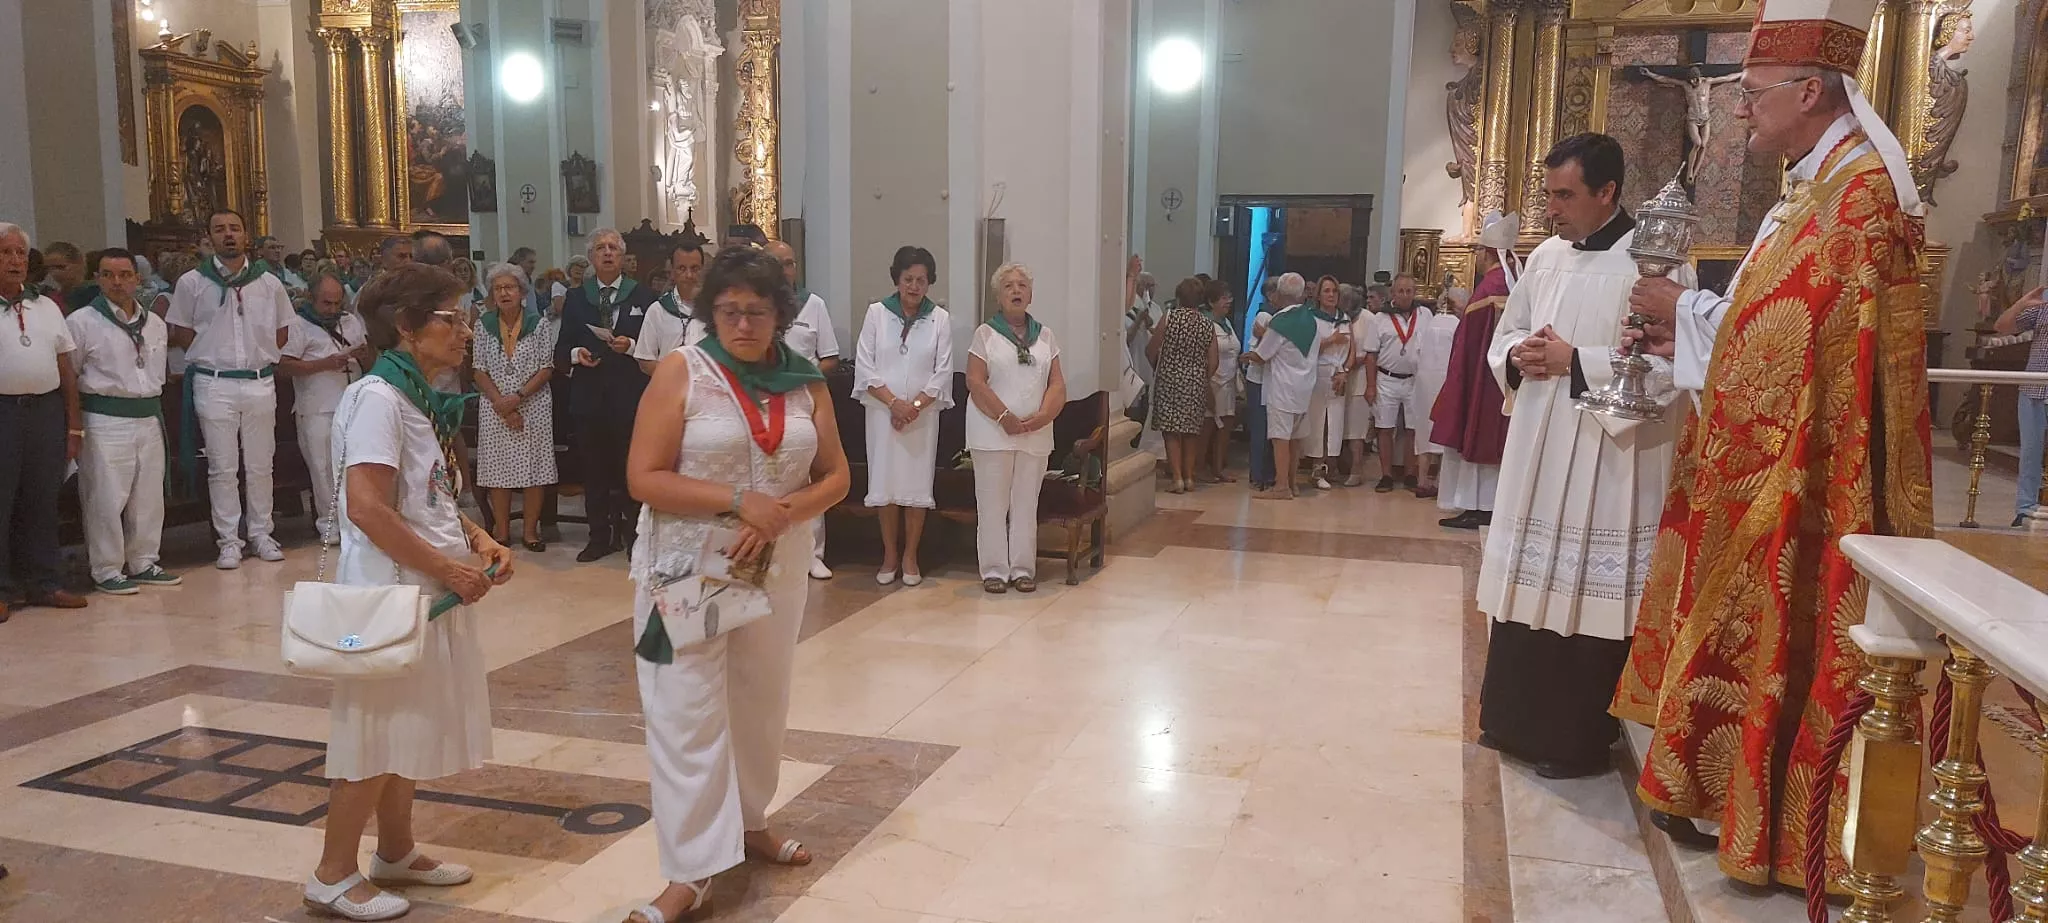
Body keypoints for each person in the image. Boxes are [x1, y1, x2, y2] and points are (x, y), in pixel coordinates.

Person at [1613, 0, 1934, 885]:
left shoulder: (1859, 196)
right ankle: (1720, 795)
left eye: (1752, 92)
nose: (1737, 108)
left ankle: (1778, 823)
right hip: (1759, 462)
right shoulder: (1813, 188)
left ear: (1809, 88)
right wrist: (1687, 322)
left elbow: (1797, 337)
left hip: (1809, 476)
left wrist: (1683, 311)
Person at [622, 247, 850, 923]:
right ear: (708, 312)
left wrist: (782, 513)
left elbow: (836, 475)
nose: (743, 323)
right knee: (684, 708)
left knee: (759, 701)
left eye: (757, 310)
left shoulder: (804, 380)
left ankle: (748, 824)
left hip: (774, 561)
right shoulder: (683, 372)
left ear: (781, 314)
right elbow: (644, 476)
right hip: (694, 565)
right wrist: (737, 499)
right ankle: (689, 871)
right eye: (729, 310)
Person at [303, 263, 516, 922]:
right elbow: (366, 506)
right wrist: (450, 570)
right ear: (405, 325)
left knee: (405, 727)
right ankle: (332, 873)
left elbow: (425, 492)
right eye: (452, 319)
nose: (465, 332)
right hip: (391, 591)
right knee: (373, 732)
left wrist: (475, 538)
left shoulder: (413, 394)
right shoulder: (377, 398)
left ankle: (394, 849)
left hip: (425, 586)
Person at [1477, 133, 1689, 779]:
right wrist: (1516, 354)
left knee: (1585, 592)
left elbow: (1672, 364)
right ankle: (1512, 721)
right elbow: (1509, 329)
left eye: (1565, 195)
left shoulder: (1658, 265)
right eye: (1548, 193)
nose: (1553, 208)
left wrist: (1578, 362)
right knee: (1529, 585)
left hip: (1609, 454)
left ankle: (1573, 739)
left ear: (1608, 192)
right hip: (1541, 439)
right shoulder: (1544, 256)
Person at [167, 208, 295, 570]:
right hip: (215, 382)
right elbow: (181, 332)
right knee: (222, 467)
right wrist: (213, 350)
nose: (229, 235)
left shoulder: (268, 282)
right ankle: (229, 540)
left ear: (246, 236)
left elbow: (282, 331)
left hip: (258, 380)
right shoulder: (192, 282)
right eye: (220, 230)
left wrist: (261, 353)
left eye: (235, 229)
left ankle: (262, 533)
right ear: (208, 238)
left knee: (260, 464)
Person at [0, 223, 88, 617]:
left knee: (41, 500)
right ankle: (3, 588)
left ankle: (44, 582)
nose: (14, 261)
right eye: (5, 253)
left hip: (45, 412)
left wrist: (73, 425)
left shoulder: (46, 306)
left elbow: (65, 367)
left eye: (20, 253)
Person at [965, 262, 1066, 594]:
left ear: (1031, 294)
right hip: (992, 433)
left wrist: (1043, 416)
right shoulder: (986, 334)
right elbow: (975, 382)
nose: (1016, 290)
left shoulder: (1045, 336)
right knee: (993, 504)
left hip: (1035, 433)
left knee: (1026, 503)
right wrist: (1003, 416)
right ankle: (994, 569)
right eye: (1008, 286)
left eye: (1022, 285)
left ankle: (1022, 568)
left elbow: (1057, 385)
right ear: (998, 295)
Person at [557, 228, 657, 562]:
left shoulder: (642, 296)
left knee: (630, 468)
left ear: (624, 256)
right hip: (589, 397)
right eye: (601, 248)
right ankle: (599, 535)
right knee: (594, 470)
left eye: (614, 247)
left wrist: (630, 345)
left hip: (628, 396)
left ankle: (635, 537)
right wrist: (576, 355)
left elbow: (654, 347)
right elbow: (562, 348)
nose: (608, 253)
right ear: (591, 257)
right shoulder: (577, 297)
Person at [854, 246, 951, 586]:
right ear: (897, 279)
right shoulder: (877, 313)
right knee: (886, 483)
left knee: (915, 484)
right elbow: (865, 366)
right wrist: (894, 403)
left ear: (929, 283)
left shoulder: (939, 318)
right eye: (908, 279)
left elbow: (943, 371)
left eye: (921, 280)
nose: (914, 286)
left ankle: (911, 554)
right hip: (882, 414)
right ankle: (889, 554)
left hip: (922, 417)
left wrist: (915, 407)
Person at [1430, 214, 1516, 529]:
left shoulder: (1491, 285)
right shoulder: (1508, 281)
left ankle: (1478, 506)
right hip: (1499, 377)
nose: (1477, 257)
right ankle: (1485, 505)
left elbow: (1471, 339)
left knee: (1478, 435)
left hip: (1481, 377)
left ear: (1488, 253)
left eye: (1479, 252)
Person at [767, 240, 845, 580]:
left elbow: (829, 357)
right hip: (764, 400)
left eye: (790, 263)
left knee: (810, 476)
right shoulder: (758, 307)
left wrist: (803, 377)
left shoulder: (813, 305)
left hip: (803, 400)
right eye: (777, 264)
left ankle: (814, 553)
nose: (785, 270)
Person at [280, 268, 373, 543]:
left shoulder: (350, 322)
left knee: (354, 467)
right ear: (311, 297)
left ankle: (357, 523)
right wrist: (325, 363)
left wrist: (363, 355)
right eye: (326, 303)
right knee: (323, 469)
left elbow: (367, 359)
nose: (332, 309)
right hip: (316, 407)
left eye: (337, 303)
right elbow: (283, 366)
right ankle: (329, 526)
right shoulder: (298, 324)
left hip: (352, 404)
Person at [473, 263, 559, 552]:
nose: (503, 293)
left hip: (532, 406)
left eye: (509, 287)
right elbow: (478, 370)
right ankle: (502, 530)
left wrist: (518, 398)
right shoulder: (483, 324)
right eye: (497, 288)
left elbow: (546, 368)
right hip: (494, 406)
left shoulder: (539, 323)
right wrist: (502, 404)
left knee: (535, 470)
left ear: (522, 292)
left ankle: (531, 531)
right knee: (498, 471)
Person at [1245, 273, 1331, 500]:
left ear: (1280, 294)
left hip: (1282, 388)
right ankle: (1292, 483)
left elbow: (1263, 355)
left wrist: (1248, 356)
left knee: (1280, 438)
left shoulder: (1280, 322)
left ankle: (1281, 486)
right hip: (1304, 388)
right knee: (1294, 439)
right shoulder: (1310, 320)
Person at [1147, 277, 1219, 494]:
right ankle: (1189, 477)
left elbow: (1151, 349)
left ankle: (1176, 477)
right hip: (1196, 383)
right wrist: (1202, 376)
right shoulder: (1208, 324)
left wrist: (1158, 366)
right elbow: (1214, 360)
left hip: (1169, 380)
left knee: (1171, 431)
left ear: (1179, 297)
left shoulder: (1169, 318)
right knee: (1190, 432)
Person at [1363, 274, 1433, 493]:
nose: (1405, 295)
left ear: (1414, 292)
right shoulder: (1380, 319)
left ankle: (1411, 473)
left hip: (1415, 379)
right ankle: (1386, 474)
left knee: (1414, 428)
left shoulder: (1425, 314)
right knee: (1385, 428)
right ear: (1392, 293)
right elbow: (1371, 355)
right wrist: (1371, 385)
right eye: (1400, 291)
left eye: (1409, 291)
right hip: (1387, 378)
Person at [1992, 284, 2048, 525]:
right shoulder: (2044, 301)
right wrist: (2020, 305)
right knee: (2030, 452)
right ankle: (2025, 507)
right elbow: (2002, 327)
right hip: (2035, 387)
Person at [1410, 288, 1463, 500]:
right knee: (1445, 431)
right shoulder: (1458, 325)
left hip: (1424, 382)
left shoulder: (1429, 323)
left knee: (1424, 430)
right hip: (1447, 382)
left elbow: (1415, 355)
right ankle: (1442, 482)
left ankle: (1422, 481)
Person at [1299, 277, 1350, 489]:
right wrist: (1330, 341)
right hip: (1318, 373)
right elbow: (1306, 348)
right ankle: (1316, 468)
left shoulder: (1344, 318)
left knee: (1335, 423)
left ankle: (1331, 467)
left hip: (1338, 374)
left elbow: (1351, 348)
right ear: (1318, 295)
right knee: (1319, 421)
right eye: (1327, 291)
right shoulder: (1310, 318)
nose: (1331, 295)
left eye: (1334, 291)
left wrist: (1344, 371)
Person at [635, 235, 710, 374]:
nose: (689, 275)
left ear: (703, 270)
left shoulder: (715, 310)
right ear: (672, 272)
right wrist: (673, 377)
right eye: (682, 268)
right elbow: (645, 359)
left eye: (695, 268)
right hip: (671, 391)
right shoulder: (658, 310)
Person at [1242, 278, 1281, 491]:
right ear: (1271, 295)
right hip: (1258, 380)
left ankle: (1269, 472)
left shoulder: (1278, 316)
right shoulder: (1264, 315)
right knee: (1260, 429)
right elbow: (1263, 349)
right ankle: (1258, 474)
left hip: (1271, 380)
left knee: (1269, 430)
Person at [1202, 278, 1241, 484]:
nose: (1228, 301)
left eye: (1229, 297)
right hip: (1212, 382)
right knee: (1207, 428)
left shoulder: (1227, 324)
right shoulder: (1206, 323)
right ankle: (1200, 468)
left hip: (1228, 384)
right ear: (1211, 302)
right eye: (1223, 298)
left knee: (1225, 427)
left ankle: (1219, 468)